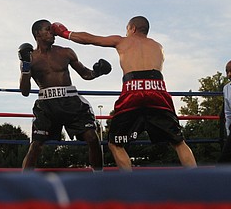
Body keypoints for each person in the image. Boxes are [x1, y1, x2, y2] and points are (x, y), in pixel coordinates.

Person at [51, 16, 197, 171]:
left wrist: (65, 33)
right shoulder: (158, 46)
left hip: (132, 91)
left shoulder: (122, 41)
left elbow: (91, 39)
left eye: (127, 29)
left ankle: (130, 185)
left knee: (115, 144)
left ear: (132, 28)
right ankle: (198, 182)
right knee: (178, 142)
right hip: (157, 90)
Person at [19, 19, 112, 171]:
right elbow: (24, 91)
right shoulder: (31, 58)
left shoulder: (65, 52)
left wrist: (98, 72)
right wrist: (25, 68)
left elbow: (85, 74)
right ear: (37, 34)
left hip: (70, 102)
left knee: (92, 138)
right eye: (48, 30)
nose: (53, 32)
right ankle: (24, 184)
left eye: (53, 30)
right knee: (36, 145)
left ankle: (98, 179)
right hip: (46, 105)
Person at [218, 60, 231, 164]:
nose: (229, 74)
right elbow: (227, 112)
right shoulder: (226, 88)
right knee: (224, 161)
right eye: (227, 71)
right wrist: (228, 131)